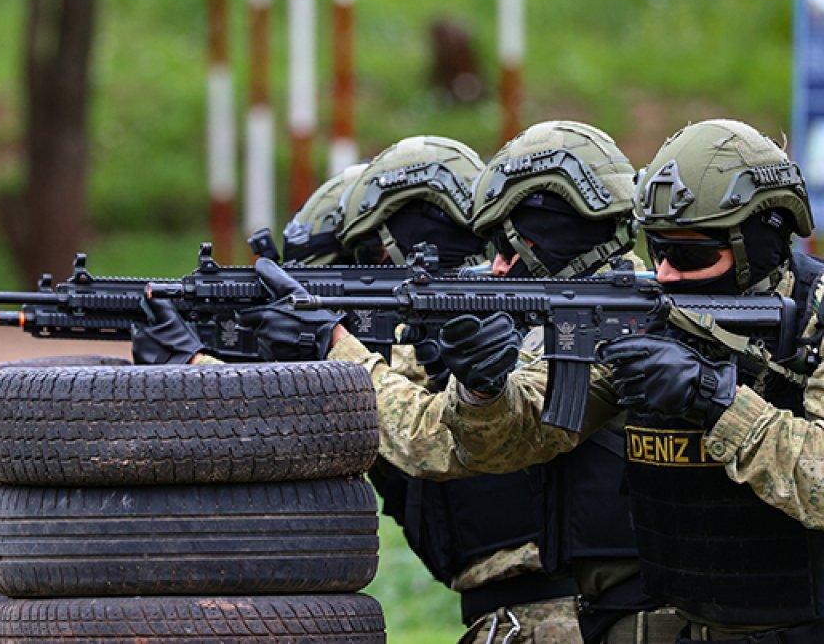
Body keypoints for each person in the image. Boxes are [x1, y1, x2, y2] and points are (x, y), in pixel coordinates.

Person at [135, 127, 656, 642]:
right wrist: (216, 362)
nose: (493, 267)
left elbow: (424, 435)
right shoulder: (541, 316)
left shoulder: (604, 321)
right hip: (533, 618)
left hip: (574, 615)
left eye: (508, 245)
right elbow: (340, 422)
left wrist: (324, 342)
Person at [438, 119, 824, 642]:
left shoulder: (812, 324)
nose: (664, 274)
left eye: (689, 255)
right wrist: (484, 392)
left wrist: (716, 401)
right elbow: (517, 438)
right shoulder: (650, 314)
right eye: (658, 250)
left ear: (758, 242)